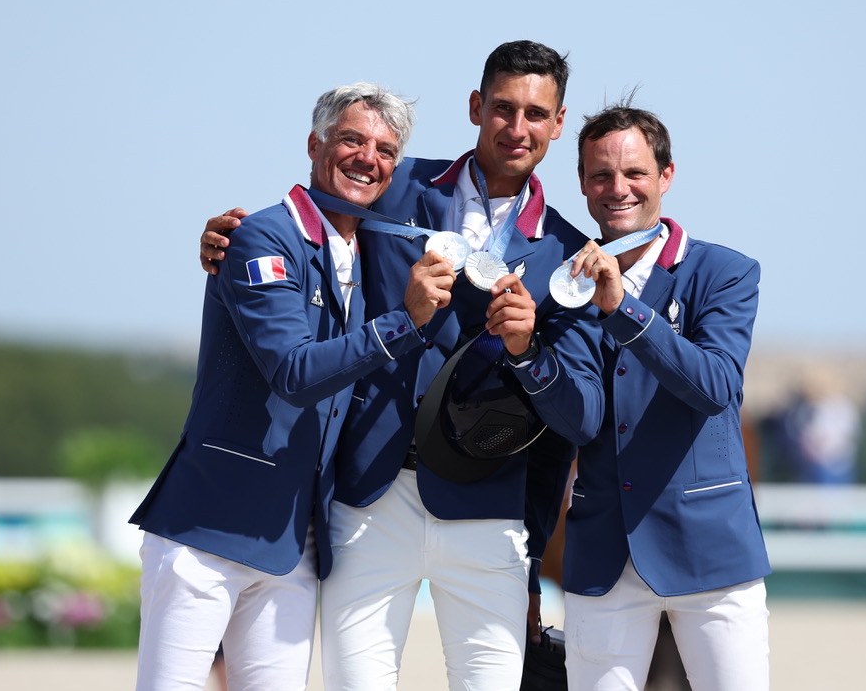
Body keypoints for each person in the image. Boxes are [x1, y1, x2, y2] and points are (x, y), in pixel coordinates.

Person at [200, 41, 604, 691]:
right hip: (367, 498)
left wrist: (531, 351)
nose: (517, 127)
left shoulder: (569, 253)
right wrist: (233, 235)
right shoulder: (395, 185)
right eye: (503, 107)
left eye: (536, 113)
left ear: (558, 124)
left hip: (488, 510)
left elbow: (580, 418)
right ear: (476, 106)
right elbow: (302, 229)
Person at [131, 83, 452, 691]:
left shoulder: (371, 249)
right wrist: (406, 321)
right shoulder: (258, 236)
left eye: (385, 150)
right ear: (314, 144)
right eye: (352, 139)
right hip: (210, 529)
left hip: (295, 546)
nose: (368, 158)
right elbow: (295, 373)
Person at [558, 103, 770, 690]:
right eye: (600, 175)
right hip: (603, 555)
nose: (617, 189)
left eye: (634, 173)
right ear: (581, 183)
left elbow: (716, 386)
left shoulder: (725, 271)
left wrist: (621, 307)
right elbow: (579, 420)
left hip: (711, 552)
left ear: (666, 176)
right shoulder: (564, 282)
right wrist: (527, 356)